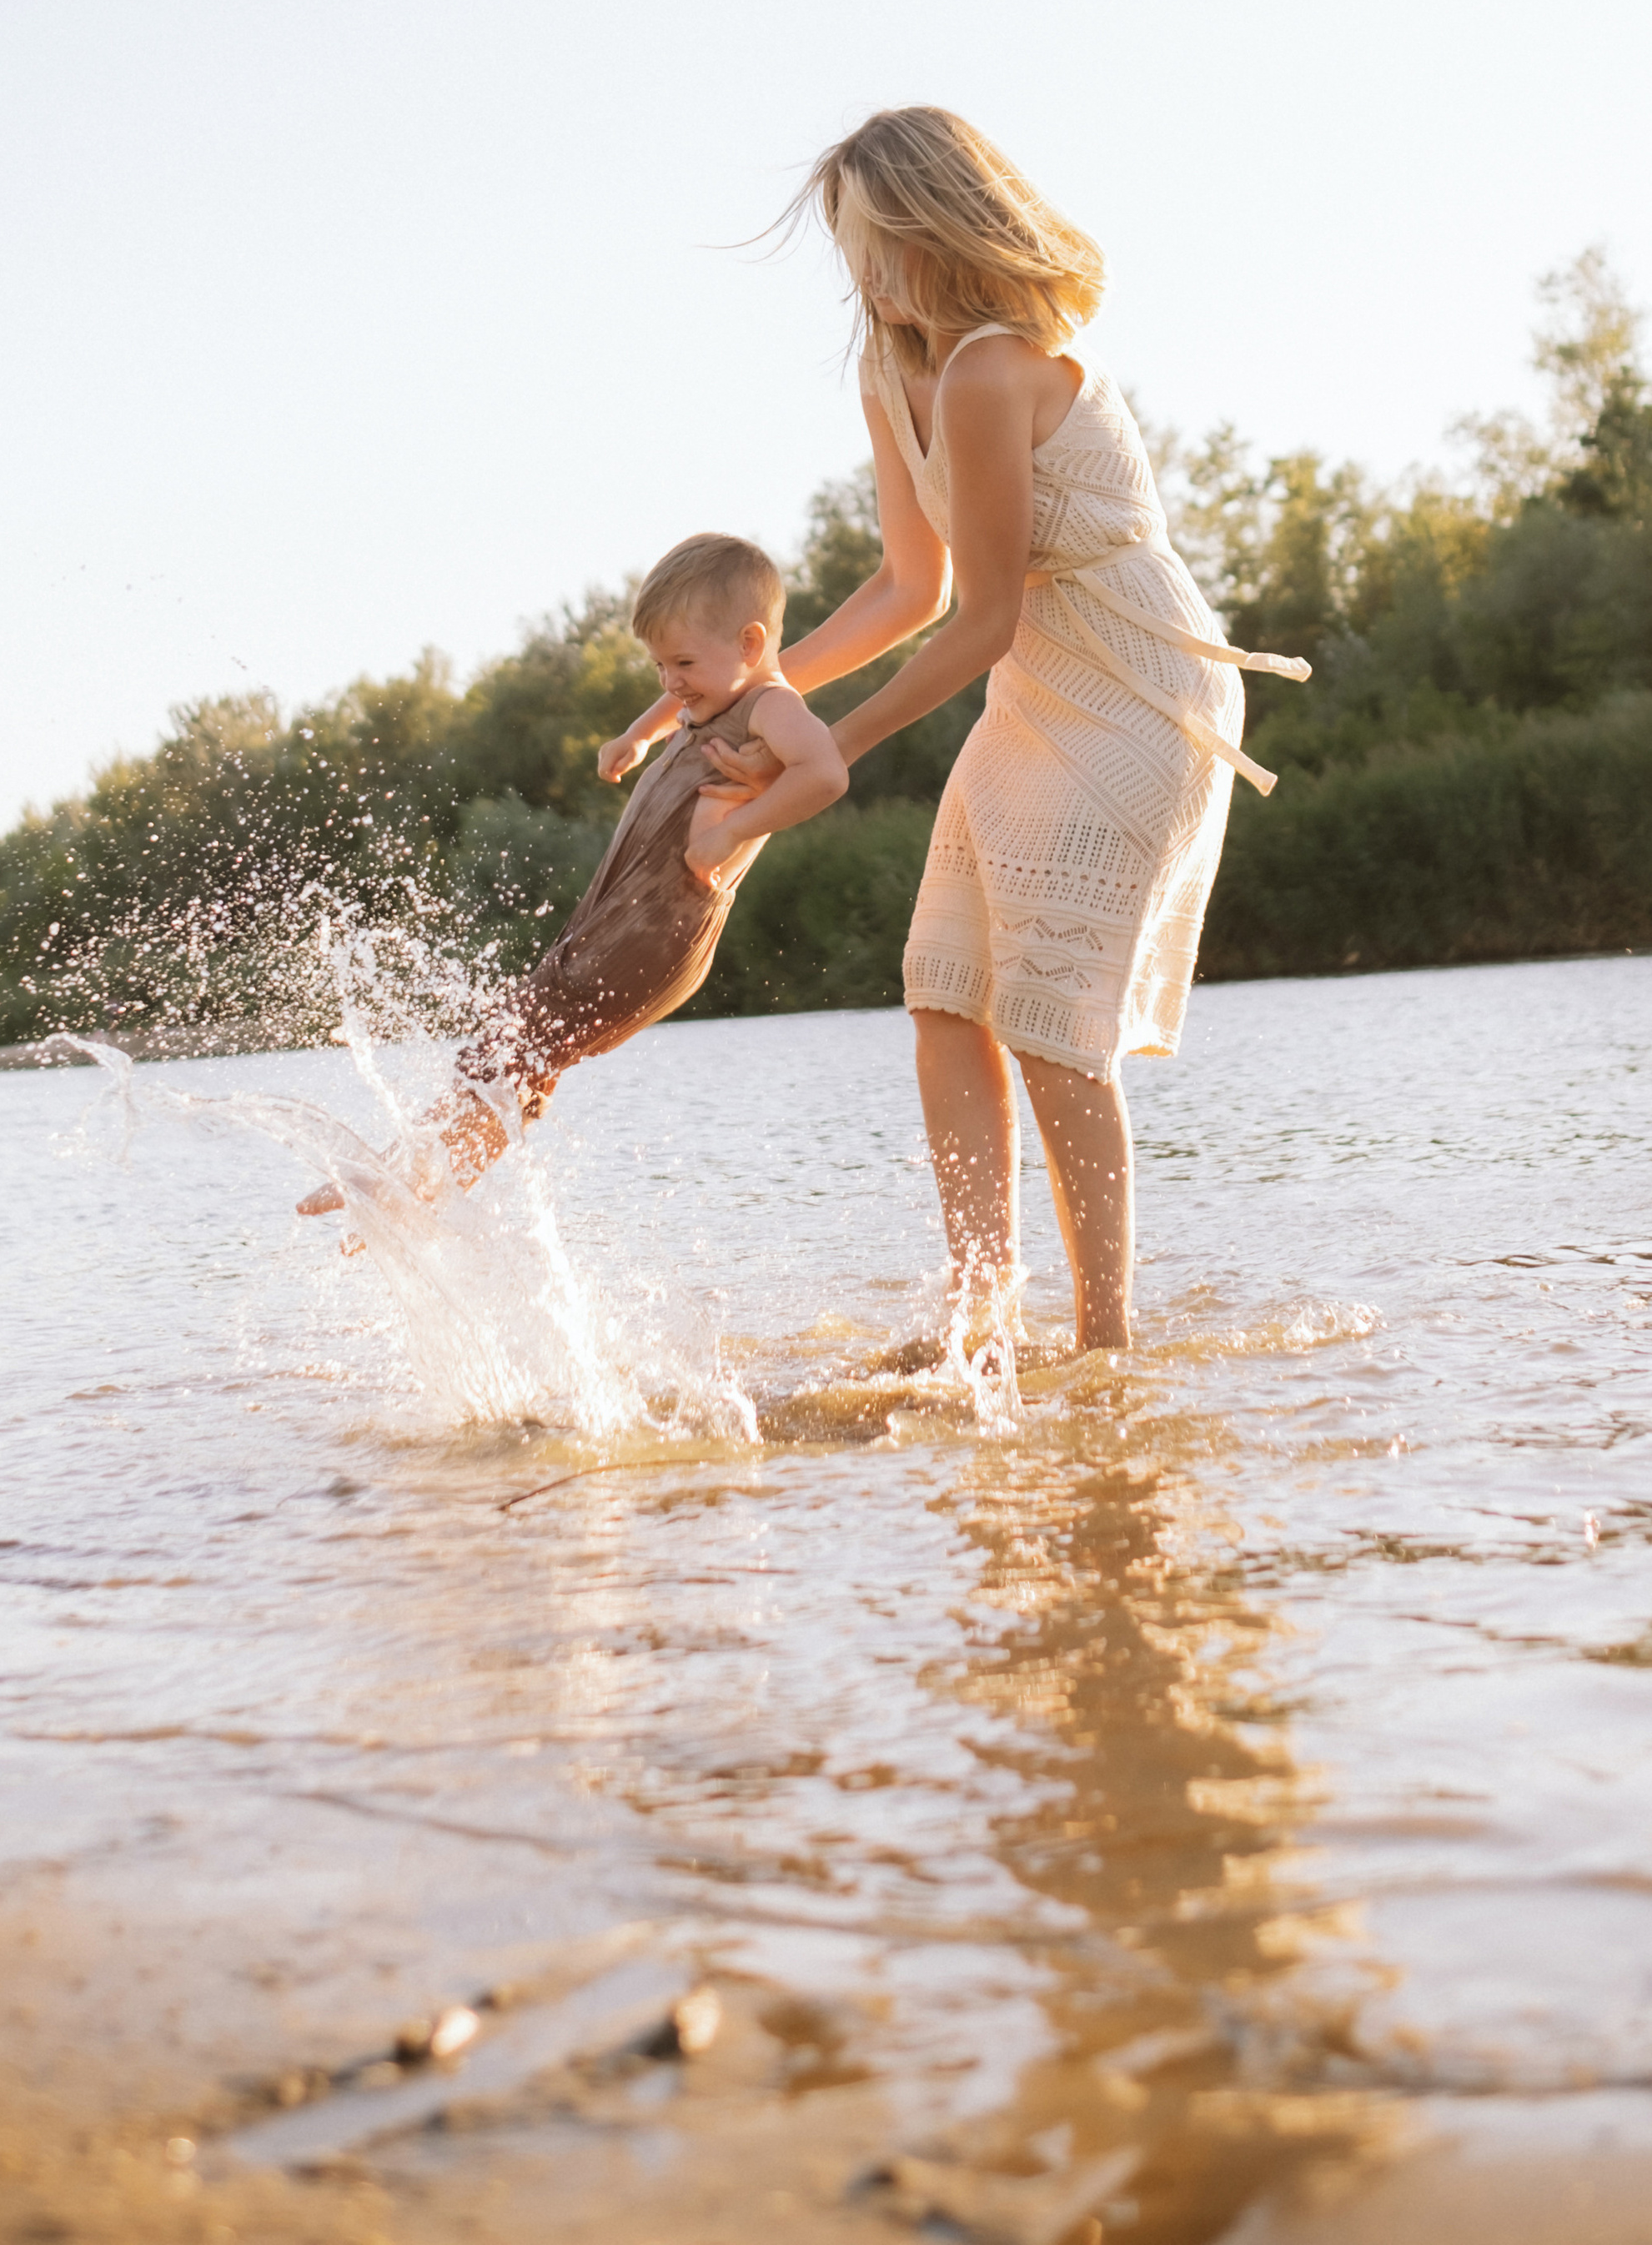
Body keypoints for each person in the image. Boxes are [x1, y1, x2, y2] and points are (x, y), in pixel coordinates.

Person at [603, 108, 1308, 1355]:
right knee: (945, 997)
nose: (859, 272)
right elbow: (904, 591)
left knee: (1048, 1019)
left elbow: (979, 618)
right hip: (1035, 691)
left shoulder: (994, 366)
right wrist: (735, 703)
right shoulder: (892, 366)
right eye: (846, 245)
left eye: (872, 239)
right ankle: (980, 1321)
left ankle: (1104, 1344)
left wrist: (821, 747)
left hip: (1137, 685)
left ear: (934, 223)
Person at [295, 531, 845, 1217]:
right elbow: (682, 697)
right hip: (624, 916)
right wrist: (641, 734)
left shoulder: (772, 706)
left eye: (682, 662)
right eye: (658, 666)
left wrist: (736, 830)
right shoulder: (712, 696)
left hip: (663, 929)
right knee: (528, 1052)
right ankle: (421, 1193)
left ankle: (398, 1174)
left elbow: (826, 773)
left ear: (751, 644)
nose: (670, 682)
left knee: (523, 1035)